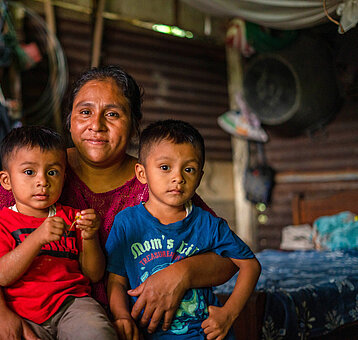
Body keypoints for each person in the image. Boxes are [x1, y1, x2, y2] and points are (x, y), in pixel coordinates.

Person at [0, 65, 239, 340]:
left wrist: (183, 273)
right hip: (35, 321)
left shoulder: (156, 180)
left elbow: (229, 258)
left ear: (133, 126)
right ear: (70, 121)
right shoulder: (39, 171)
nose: (96, 125)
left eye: (112, 114)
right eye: (85, 112)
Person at [106, 120, 261, 340]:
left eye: (189, 169)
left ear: (199, 177)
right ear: (142, 173)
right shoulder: (127, 223)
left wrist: (228, 313)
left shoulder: (208, 223)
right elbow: (116, 280)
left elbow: (250, 265)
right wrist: (121, 316)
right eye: (165, 167)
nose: (178, 177)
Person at [0, 125, 117, 340]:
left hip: (73, 305)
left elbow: (93, 275)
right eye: (29, 172)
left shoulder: (73, 217)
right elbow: (1, 276)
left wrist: (90, 237)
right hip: (23, 314)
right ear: (6, 181)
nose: (43, 181)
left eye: (52, 172)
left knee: (98, 333)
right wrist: (37, 238)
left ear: (64, 177)